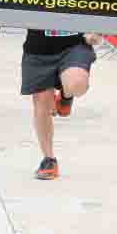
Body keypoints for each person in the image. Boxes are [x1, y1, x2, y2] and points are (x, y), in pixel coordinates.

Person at [25, 27, 93, 180]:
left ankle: (65, 96)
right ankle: (49, 160)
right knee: (42, 101)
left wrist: (97, 31)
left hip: (76, 43)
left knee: (77, 85)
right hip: (38, 45)